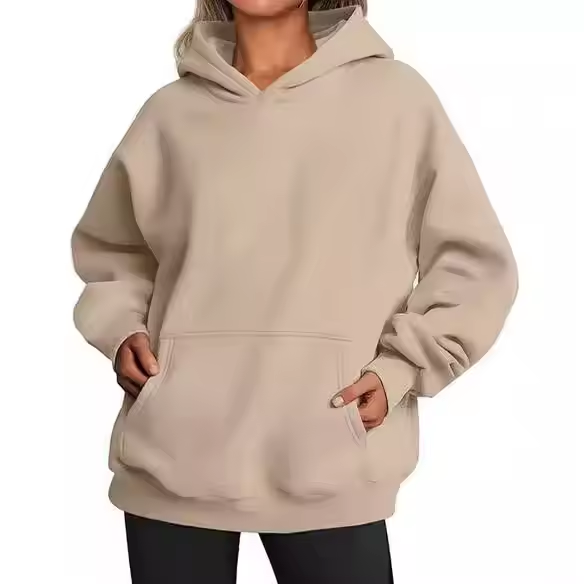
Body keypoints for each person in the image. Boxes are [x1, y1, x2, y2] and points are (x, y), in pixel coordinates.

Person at [71, 1, 518, 582]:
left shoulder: (397, 101)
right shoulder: (169, 114)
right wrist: (121, 329)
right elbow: (117, 252)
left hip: (330, 451)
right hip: (173, 455)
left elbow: (474, 264)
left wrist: (401, 369)